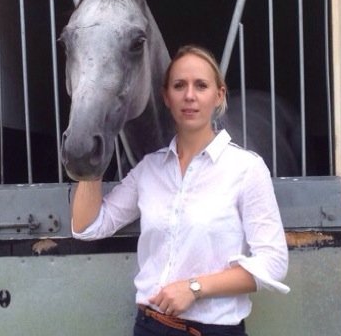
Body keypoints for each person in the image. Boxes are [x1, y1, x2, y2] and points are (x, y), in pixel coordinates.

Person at [71, 45, 289, 336]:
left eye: (201, 85)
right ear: (166, 98)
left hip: (214, 330)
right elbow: (87, 226)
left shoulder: (246, 168)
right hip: (150, 326)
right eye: (179, 86)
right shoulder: (149, 170)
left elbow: (273, 263)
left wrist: (194, 288)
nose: (189, 95)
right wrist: (92, 145)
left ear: (219, 95)